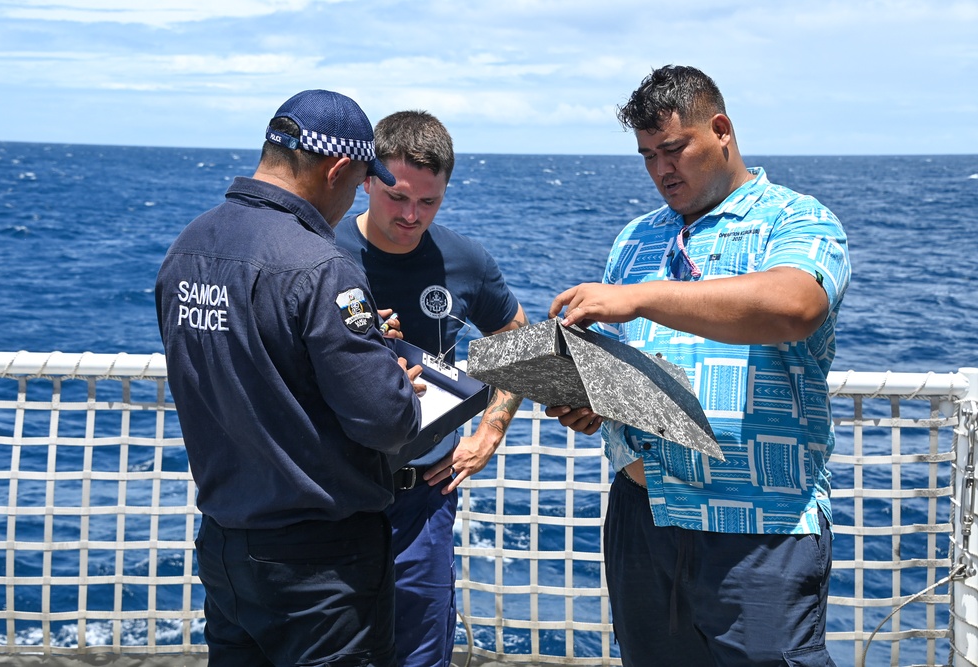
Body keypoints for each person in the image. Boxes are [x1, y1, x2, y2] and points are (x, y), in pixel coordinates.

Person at [547, 65, 851, 667]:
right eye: (646, 155)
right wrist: (593, 400)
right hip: (643, 515)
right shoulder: (634, 239)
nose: (661, 169)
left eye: (674, 149)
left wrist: (641, 296)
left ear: (721, 130)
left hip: (762, 526)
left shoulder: (798, 220)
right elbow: (629, 362)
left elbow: (795, 307)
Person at [155, 89, 431, 667]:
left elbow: (243, 361)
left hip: (227, 546)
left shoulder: (187, 250)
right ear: (336, 169)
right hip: (320, 569)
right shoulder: (323, 267)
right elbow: (385, 421)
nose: (358, 194)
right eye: (360, 180)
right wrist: (395, 377)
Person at [335, 110, 528, 667]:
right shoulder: (319, 251)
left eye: (429, 202)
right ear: (367, 179)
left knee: (419, 654)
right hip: (335, 496)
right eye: (397, 197)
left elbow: (517, 337)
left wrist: (491, 429)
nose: (411, 215)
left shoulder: (464, 260)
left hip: (424, 497)